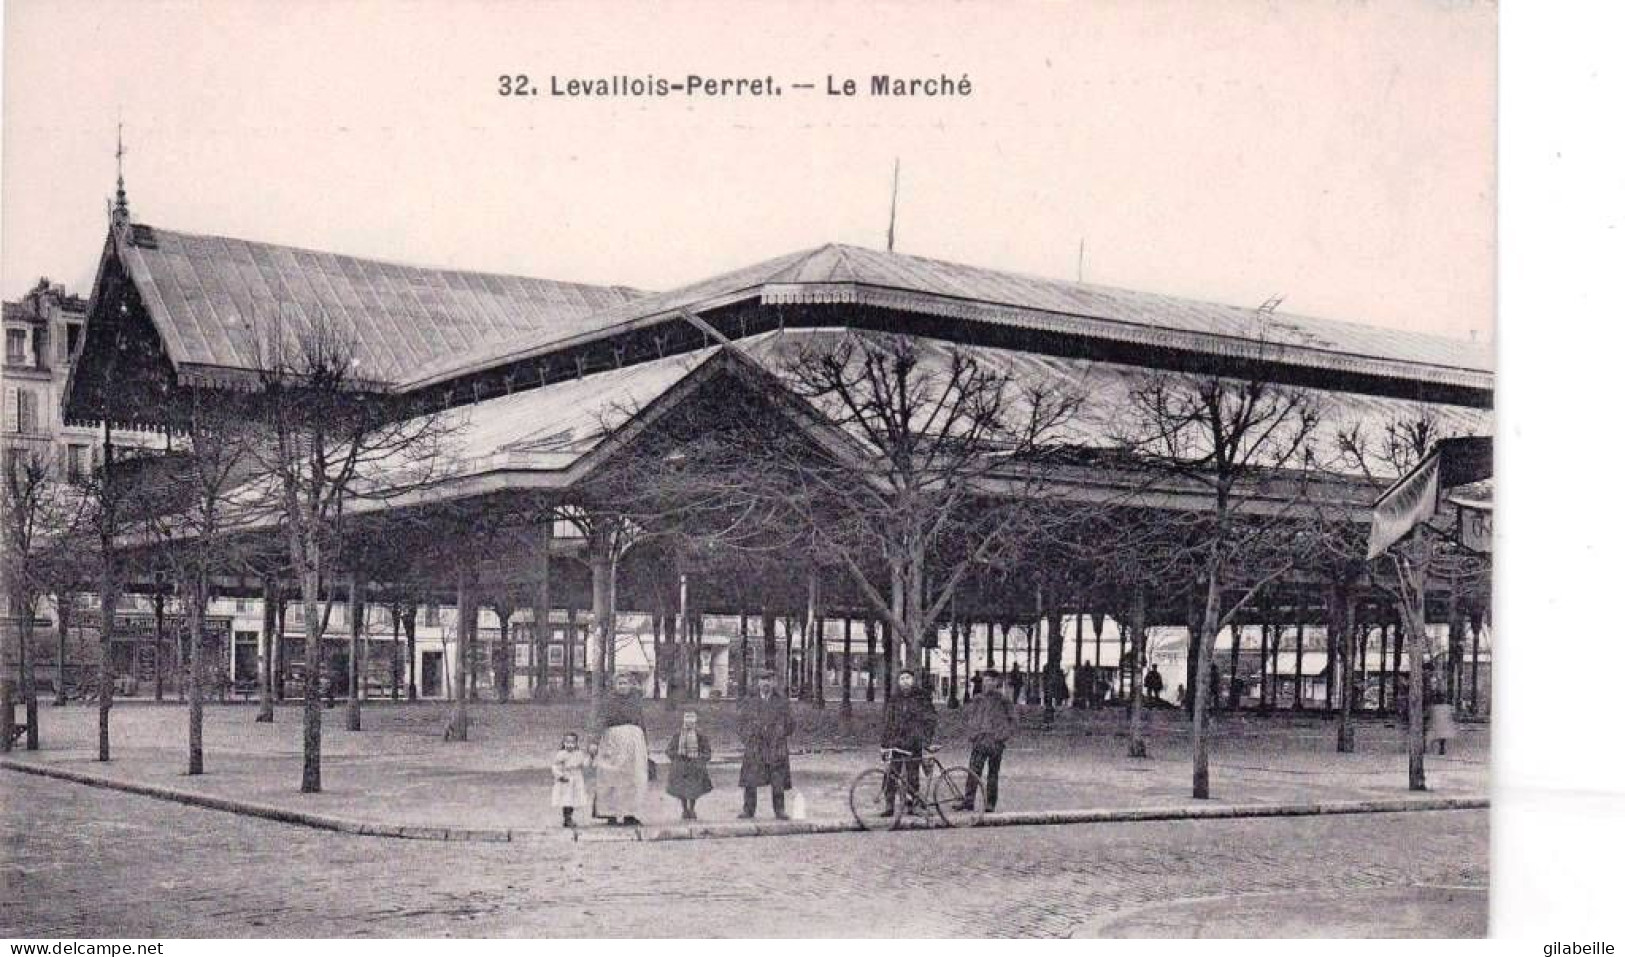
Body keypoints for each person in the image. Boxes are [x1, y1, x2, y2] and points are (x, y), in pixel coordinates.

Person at [592, 673, 650, 826]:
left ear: (631, 685)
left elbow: (641, 722)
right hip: (614, 740)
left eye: (626, 683)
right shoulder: (608, 702)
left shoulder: (636, 702)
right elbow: (600, 721)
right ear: (614, 685)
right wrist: (594, 741)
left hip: (634, 741)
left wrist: (646, 744)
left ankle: (630, 813)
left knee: (634, 777)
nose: (623, 686)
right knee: (610, 775)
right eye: (620, 683)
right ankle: (610, 813)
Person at [881, 668, 938, 815]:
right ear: (898, 682)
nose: (905, 681)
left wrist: (925, 739)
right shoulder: (894, 699)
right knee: (891, 774)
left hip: (914, 742)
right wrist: (884, 745)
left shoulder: (921, 697)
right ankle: (889, 806)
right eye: (902, 679)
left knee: (913, 775)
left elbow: (931, 719)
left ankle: (912, 805)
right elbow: (888, 722)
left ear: (913, 681)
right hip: (897, 743)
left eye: (908, 678)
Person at [738, 671, 795, 820]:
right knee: (751, 778)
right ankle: (748, 810)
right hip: (755, 745)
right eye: (763, 680)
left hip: (775, 746)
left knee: (777, 779)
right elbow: (741, 723)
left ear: (774, 682)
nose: (766, 683)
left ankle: (780, 810)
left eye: (769, 680)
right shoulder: (749, 701)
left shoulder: (782, 701)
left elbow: (790, 723)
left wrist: (781, 734)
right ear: (758, 683)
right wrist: (747, 738)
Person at [961, 670, 1016, 812]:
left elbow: (1012, 721)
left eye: (991, 680)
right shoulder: (978, 699)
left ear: (997, 682)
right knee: (973, 772)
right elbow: (970, 718)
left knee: (993, 774)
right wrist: (973, 735)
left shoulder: (1004, 701)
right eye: (985, 680)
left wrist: (1001, 737)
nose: (988, 683)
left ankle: (990, 803)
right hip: (980, 741)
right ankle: (968, 801)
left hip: (995, 743)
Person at [665, 710, 713, 821]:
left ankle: (692, 808)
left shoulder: (700, 735)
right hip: (681, 766)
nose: (689, 725)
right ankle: (684, 809)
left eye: (691, 723)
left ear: (695, 723)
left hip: (695, 766)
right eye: (687, 722)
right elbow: (669, 750)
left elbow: (707, 751)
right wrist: (676, 757)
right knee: (681, 790)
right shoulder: (678, 735)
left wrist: (700, 759)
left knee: (694, 790)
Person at [550, 731, 591, 828]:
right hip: (566, 779)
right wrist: (560, 776)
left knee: (573, 800)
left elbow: (585, 764)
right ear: (563, 743)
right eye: (567, 742)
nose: (570, 745)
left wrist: (591, 756)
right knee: (566, 800)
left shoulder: (579, 754)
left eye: (572, 743)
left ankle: (569, 817)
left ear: (576, 743)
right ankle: (567, 818)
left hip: (576, 779)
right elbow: (555, 766)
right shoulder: (561, 754)